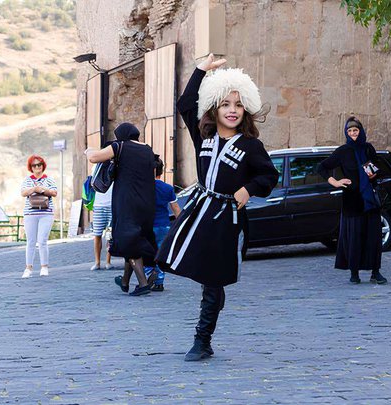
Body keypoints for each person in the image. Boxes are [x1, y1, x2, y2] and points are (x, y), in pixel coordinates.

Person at [156, 55, 279, 361]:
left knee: (213, 279)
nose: (232, 110)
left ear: (246, 108)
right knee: (180, 262)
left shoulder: (251, 145)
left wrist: (248, 189)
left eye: (238, 105)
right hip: (199, 213)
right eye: (225, 104)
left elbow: (268, 175)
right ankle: (213, 296)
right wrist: (201, 70)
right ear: (214, 107)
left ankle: (202, 339)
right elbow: (185, 104)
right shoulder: (204, 136)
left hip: (228, 219)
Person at [85, 123, 158, 296]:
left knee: (126, 239)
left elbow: (94, 158)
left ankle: (142, 283)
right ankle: (125, 281)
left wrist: (88, 151)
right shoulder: (147, 149)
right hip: (147, 201)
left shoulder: (120, 146)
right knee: (136, 238)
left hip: (127, 200)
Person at [317, 117, 386, 285]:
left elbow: (378, 169)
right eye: (350, 131)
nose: (353, 133)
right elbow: (322, 167)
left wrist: (373, 173)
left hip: (370, 201)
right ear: (346, 133)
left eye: (355, 130)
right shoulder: (343, 151)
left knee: (373, 238)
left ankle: (375, 272)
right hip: (352, 201)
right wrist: (336, 182)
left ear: (360, 131)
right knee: (354, 238)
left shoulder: (368, 148)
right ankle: (354, 273)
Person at [145, 157, 181, 292]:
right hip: (164, 225)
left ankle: (149, 275)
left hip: (148, 225)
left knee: (147, 253)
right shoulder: (167, 188)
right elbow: (176, 209)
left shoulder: (144, 188)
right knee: (161, 254)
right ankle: (159, 281)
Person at [20, 154, 58, 278]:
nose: (37, 167)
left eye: (39, 164)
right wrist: (35, 188)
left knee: (42, 240)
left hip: (46, 213)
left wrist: (41, 190)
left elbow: (54, 192)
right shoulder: (27, 180)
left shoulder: (49, 179)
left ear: (43, 166)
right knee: (30, 241)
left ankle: (44, 267)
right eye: (34, 165)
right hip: (30, 213)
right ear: (31, 167)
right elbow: (23, 192)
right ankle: (28, 268)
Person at [90, 182, 114, 271]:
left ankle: (108, 261)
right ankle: (97, 262)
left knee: (110, 235)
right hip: (98, 205)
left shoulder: (116, 169)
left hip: (112, 205)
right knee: (97, 234)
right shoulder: (97, 168)